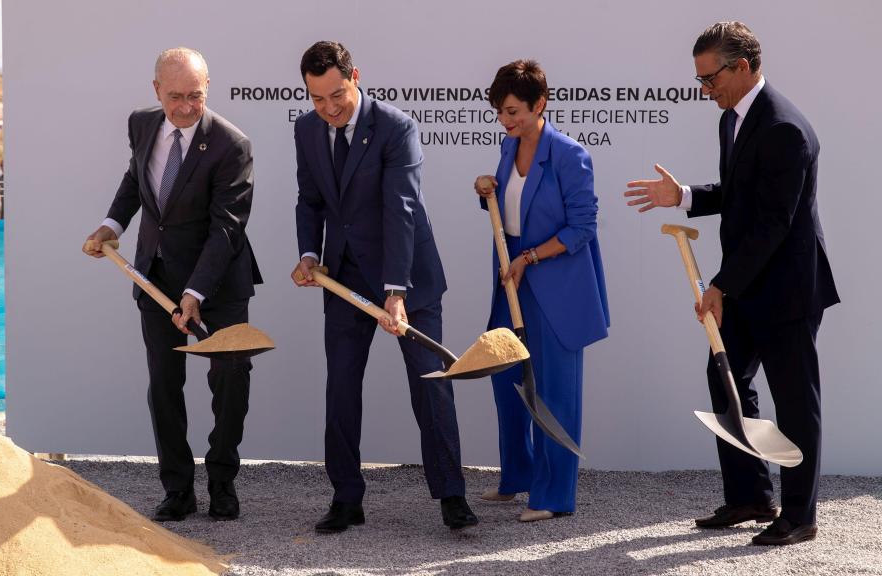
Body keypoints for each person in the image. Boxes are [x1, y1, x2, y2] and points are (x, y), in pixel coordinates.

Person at [624, 22, 839, 546]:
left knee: (795, 401)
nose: (704, 88)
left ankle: (800, 515)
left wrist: (719, 284)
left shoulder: (785, 127)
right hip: (747, 283)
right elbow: (739, 191)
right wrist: (683, 196)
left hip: (786, 289)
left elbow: (773, 223)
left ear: (742, 67)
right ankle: (751, 495)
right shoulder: (733, 118)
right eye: (699, 79)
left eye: (709, 77)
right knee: (726, 380)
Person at [291, 41, 477, 533]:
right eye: (317, 99)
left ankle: (452, 496)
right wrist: (310, 255)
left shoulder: (396, 127)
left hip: (409, 277)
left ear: (356, 76)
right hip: (345, 277)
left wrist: (395, 291)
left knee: (430, 388)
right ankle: (346, 497)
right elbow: (309, 200)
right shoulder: (307, 130)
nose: (329, 109)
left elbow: (401, 208)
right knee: (342, 387)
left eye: (337, 95)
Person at [82, 47, 262, 523]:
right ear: (156, 89)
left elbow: (227, 228)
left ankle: (223, 481)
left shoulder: (231, 144)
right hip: (156, 275)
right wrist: (111, 224)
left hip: (217, 283)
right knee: (164, 384)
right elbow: (134, 179)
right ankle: (177, 489)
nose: (185, 107)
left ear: (208, 89)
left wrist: (195, 294)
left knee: (229, 380)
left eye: (196, 97)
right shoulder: (141, 123)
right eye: (176, 96)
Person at [473, 60, 609, 522]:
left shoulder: (569, 155)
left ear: (540, 104)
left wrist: (530, 258)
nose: (506, 121)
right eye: (500, 112)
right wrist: (486, 190)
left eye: (513, 111)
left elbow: (583, 228)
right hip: (511, 280)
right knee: (505, 376)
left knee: (554, 390)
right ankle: (519, 477)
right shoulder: (509, 148)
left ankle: (553, 497)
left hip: (555, 285)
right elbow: (510, 208)